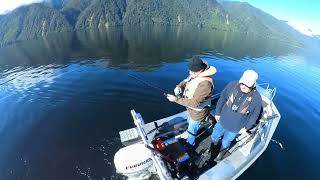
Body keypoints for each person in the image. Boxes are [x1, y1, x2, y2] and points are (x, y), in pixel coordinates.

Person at [167, 56, 217, 148]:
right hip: (190, 109)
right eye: (189, 71)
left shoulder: (205, 84)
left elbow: (195, 103)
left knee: (192, 129)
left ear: (201, 70)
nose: (190, 73)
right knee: (189, 121)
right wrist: (179, 86)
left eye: (193, 72)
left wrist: (176, 99)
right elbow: (186, 81)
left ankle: (191, 144)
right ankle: (189, 134)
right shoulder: (195, 74)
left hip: (198, 112)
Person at [211, 70, 262, 154]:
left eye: (247, 85)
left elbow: (254, 116)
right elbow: (222, 99)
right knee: (214, 136)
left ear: (254, 85)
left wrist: (246, 127)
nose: (244, 86)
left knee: (226, 141)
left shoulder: (257, 98)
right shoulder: (232, 85)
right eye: (243, 83)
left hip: (235, 128)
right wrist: (217, 113)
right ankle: (212, 148)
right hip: (222, 121)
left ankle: (221, 153)